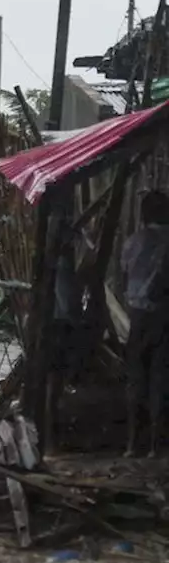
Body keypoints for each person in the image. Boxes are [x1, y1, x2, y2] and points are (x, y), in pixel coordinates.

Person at [121, 191, 169, 458]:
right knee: (159, 378)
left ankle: (130, 444)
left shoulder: (132, 242)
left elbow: (125, 276)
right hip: (163, 316)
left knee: (136, 379)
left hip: (137, 316)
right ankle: (154, 446)